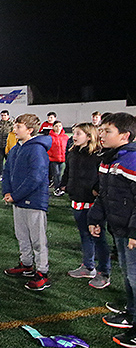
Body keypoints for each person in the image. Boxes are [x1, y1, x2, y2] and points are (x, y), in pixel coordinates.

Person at [87, 112, 136, 346]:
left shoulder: (132, 160)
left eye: (108, 131)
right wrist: (95, 218)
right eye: (102, 130)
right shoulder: (110, 158)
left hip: (131, 232)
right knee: (128, 276)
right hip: (120, 229)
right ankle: (132, 314)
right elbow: (105, 196)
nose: (101, 135)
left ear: (125, 136)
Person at [2, 113, 52, 291]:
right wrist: (7, 191)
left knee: (38, 239)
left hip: (34, 201)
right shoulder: (16, 148)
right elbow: (6, 171)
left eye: (18, 126)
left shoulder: (37, 148)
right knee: (21, 235)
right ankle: (27, 264)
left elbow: (36, 177)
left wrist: (15, 195)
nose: (14, 129)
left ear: (30, 130)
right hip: (18, 199)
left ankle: (42, 273)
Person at [59, 122, 110, 289]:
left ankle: (104, 272)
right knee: (84, 234)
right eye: (74, 133)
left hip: (92, 202)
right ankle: (88, 266)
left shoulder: (98, 155)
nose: (74, 136)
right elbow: (68, 171)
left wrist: (96, 190)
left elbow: (103, 178)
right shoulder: (73, 152)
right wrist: (64, 184)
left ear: (89, 136)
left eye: (78, 133)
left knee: (97, 237)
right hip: (77, 198)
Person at [48, 121, 69, 195]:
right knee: (56, 174)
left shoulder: (65, 137)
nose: (58, 128)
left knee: (61, 174)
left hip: (63, 159)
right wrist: (50, 155)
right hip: (54, 159)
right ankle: (57, 188)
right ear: (53, 127)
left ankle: (61, 188)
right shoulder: (50, 137)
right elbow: (48, 148)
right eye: (56, 126)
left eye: (60, 126)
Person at [0, 110, 13, 182]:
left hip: (8, 146)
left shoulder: (11, 124)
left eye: (5, 115)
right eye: (2, 115)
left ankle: (10, 175)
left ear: (8, 116)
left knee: (9, 161)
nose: (3, 117)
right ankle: (0, 174)